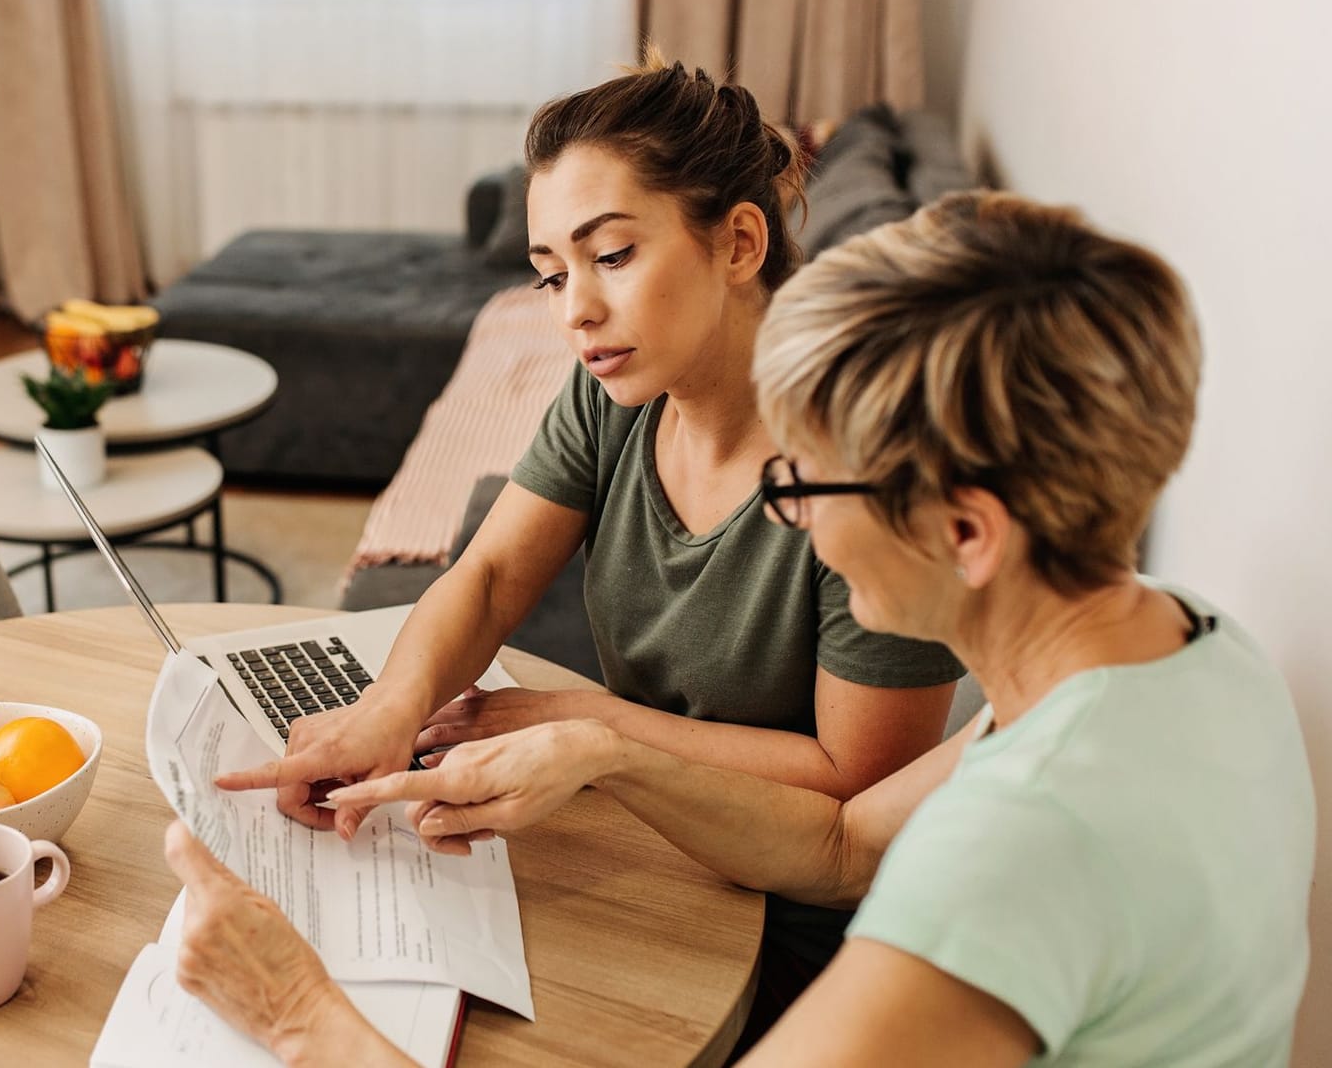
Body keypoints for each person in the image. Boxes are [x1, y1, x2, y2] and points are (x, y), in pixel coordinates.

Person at [166, 190, 1316, 1065]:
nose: (795, 525)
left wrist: (302, 1016)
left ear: (969, 534)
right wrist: (604, 748)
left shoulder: (1016, 857)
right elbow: (847, 847)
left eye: (812, 485)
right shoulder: (1190, 644)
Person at [219, 54, 963, 1027]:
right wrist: (393, 705)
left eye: (611, 256)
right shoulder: (616, 393)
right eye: (551, 274)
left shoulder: (864, 477)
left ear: (741, 242)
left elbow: (854, 796)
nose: (575, 311)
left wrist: (590, 727)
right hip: (640, 836)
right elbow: (488, 577)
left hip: (804, 939)